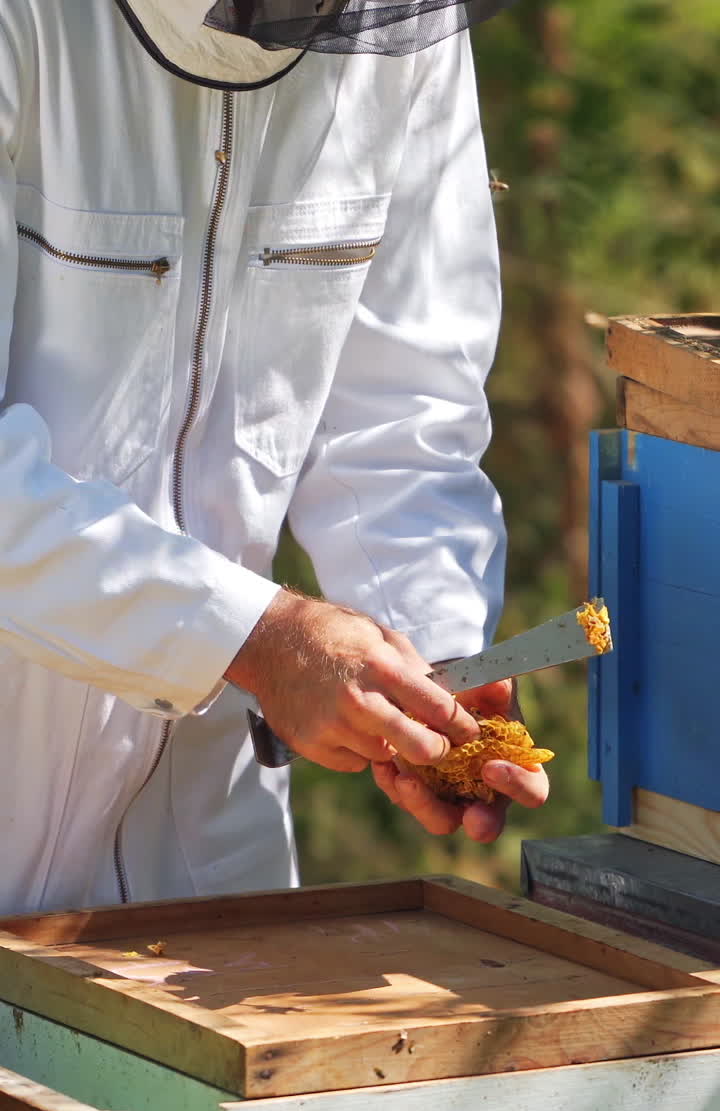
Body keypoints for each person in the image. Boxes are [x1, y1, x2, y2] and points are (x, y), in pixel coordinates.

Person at [0, 0, 548, 916]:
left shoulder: (395, 32)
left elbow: (407, 406)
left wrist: (438, 661)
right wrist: (256, 639)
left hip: (209, 846)